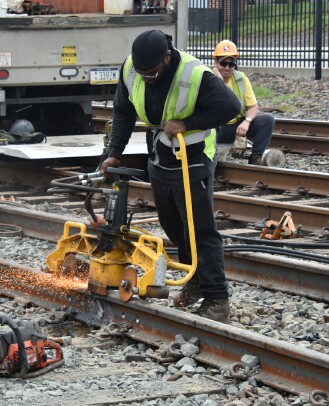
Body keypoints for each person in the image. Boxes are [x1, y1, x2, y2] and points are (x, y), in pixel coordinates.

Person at [100, 30, 241, 323]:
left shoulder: (195, 74)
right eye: (142, 73)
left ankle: (217, 298)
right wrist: (114, 152)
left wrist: (187, 123)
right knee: (172, 224)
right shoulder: (131, 69)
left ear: (166, 56)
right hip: (161, 157)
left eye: (151, 73)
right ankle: (196, 278)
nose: (147, 78)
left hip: (193, 158)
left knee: (200, 229)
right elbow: (123, 111)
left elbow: (231, 108)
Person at [213, 40, 275, 165]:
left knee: (268, 120)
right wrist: (219, 81)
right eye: (223, 63)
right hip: (215, 128)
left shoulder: (240, 78)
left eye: (231, 64)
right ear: (216, 63)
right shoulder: (208, 78)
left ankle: (255, 159)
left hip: (236, 127)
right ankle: (209, 159)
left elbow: (253, 107)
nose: (227, 67)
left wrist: (246, 122)